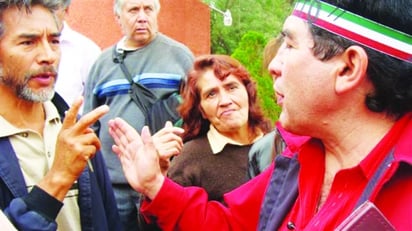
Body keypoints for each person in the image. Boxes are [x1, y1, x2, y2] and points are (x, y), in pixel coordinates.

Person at [108, 0, 412, 230]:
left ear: (347, 68)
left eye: (290, 45)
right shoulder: (297, 161)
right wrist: (155, 186)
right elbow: (229, 225)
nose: (272, 66)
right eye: (210, 93)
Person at [0, 0, 122, 230]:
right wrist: (59, 176)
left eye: (54, 41)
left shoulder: (74, 129)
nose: (48, 56)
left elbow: (109, 218)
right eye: (28, 42)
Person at [83, 0, 194, 229]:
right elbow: (90, 124)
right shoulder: (101, 64)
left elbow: (197, 114)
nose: (142, 17)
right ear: (118, 17)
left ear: (156, 13)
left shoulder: (179, 56)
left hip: (164, 180)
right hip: (114, 187)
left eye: (148, 9)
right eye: (133, 10)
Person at [168, 54, 273, 202]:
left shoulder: (278, 143)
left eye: (231, 87)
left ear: (248, 93)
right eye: (211, 94)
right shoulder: (189, 159)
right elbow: (158, 221)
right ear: (202, 110)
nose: (225, 101)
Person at [54, 0, 101, 114]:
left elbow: (98, 101)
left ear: (66, 10)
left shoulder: (86, 49)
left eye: (52, 8)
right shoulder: (20, 46)